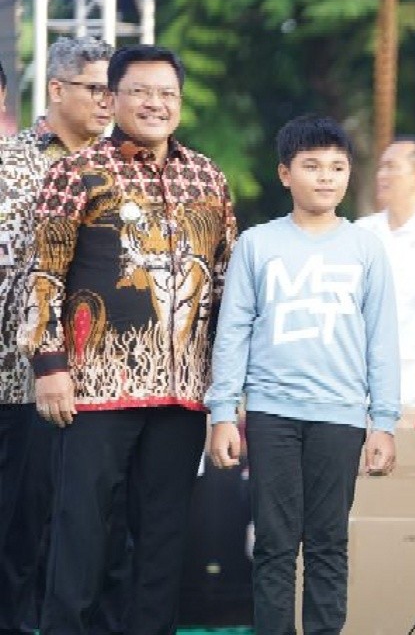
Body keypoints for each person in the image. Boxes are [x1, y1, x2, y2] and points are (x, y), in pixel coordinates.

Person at [20, 44, 236, 634]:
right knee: (81, 536)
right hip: (92, 392)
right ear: (112, 99)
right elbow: (44, 273)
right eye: (141, 92)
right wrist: (49, 364)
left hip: (182, 394)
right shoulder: (76, 171)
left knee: (164, 545)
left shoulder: (207, 176)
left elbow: (222, 283)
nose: (155, 104)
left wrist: (226, 387)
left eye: (167, 93)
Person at [206, 115, 400, 634]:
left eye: (337, 167)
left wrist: (383, 421)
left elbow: (382, 339)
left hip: (340, 417)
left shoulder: (365, 248)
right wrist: (223, 412)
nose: (325, 177)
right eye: (311, 166)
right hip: (271, 414)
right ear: (284, 173)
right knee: (272, 544)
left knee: (328, 545)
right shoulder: (257, 245)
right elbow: (233, 333)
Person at [0, 36, 130, 635]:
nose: (109, 102)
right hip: (17, 379)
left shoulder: (124, 168)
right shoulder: (12, 164)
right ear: (56, 89)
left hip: (106, 382)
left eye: (114, 90)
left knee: (96, 535)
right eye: (95, 89)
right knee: (19, 532)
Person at [357, 136, 415, 407]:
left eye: (391, 167)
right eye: (380, 167)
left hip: (411, 389)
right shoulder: (360, 233)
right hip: (352, 383)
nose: (381, 175)